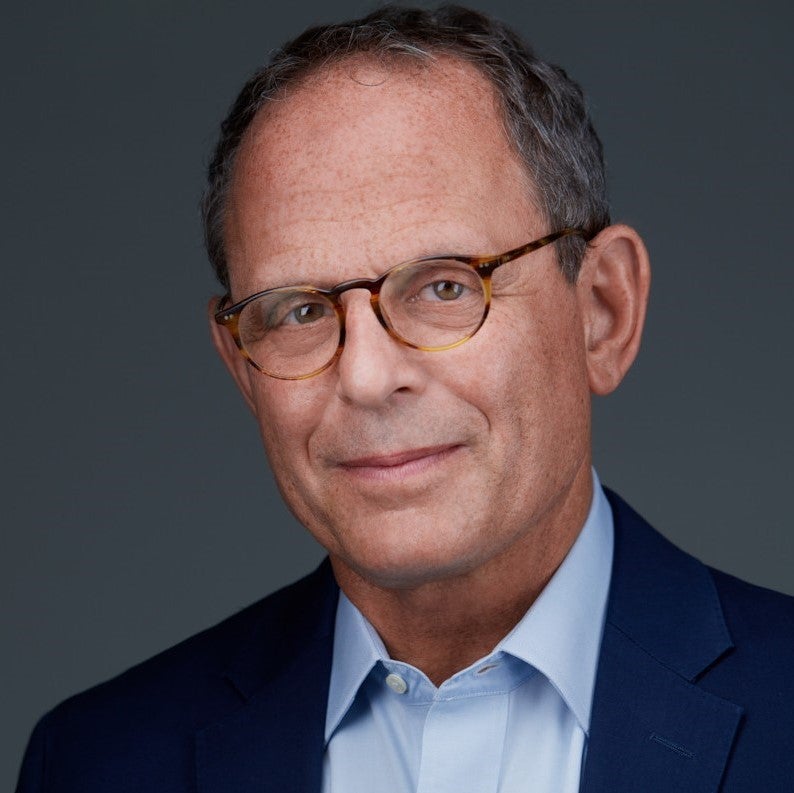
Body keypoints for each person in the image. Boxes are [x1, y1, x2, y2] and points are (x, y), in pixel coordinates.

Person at [16, 5, 794, 792]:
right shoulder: (95, 762)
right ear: (242, 369)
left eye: (445, 286)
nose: (364, 377)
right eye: (301, 311)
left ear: (603, 311)